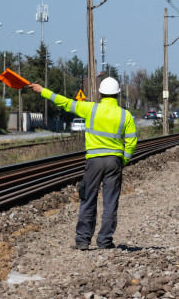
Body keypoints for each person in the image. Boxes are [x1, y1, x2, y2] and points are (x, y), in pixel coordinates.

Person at [28, 77, 137, 250]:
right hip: (114, 161)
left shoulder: (90, 108)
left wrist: (43, 91)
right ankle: (104, 241)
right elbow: (131, 142)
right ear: (117, 94)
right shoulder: (125, 115)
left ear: (100, 93)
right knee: (110, 202)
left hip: (93, 161)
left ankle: (83, 241)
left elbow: (65, 102)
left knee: (88, 198)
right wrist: (123, 160)